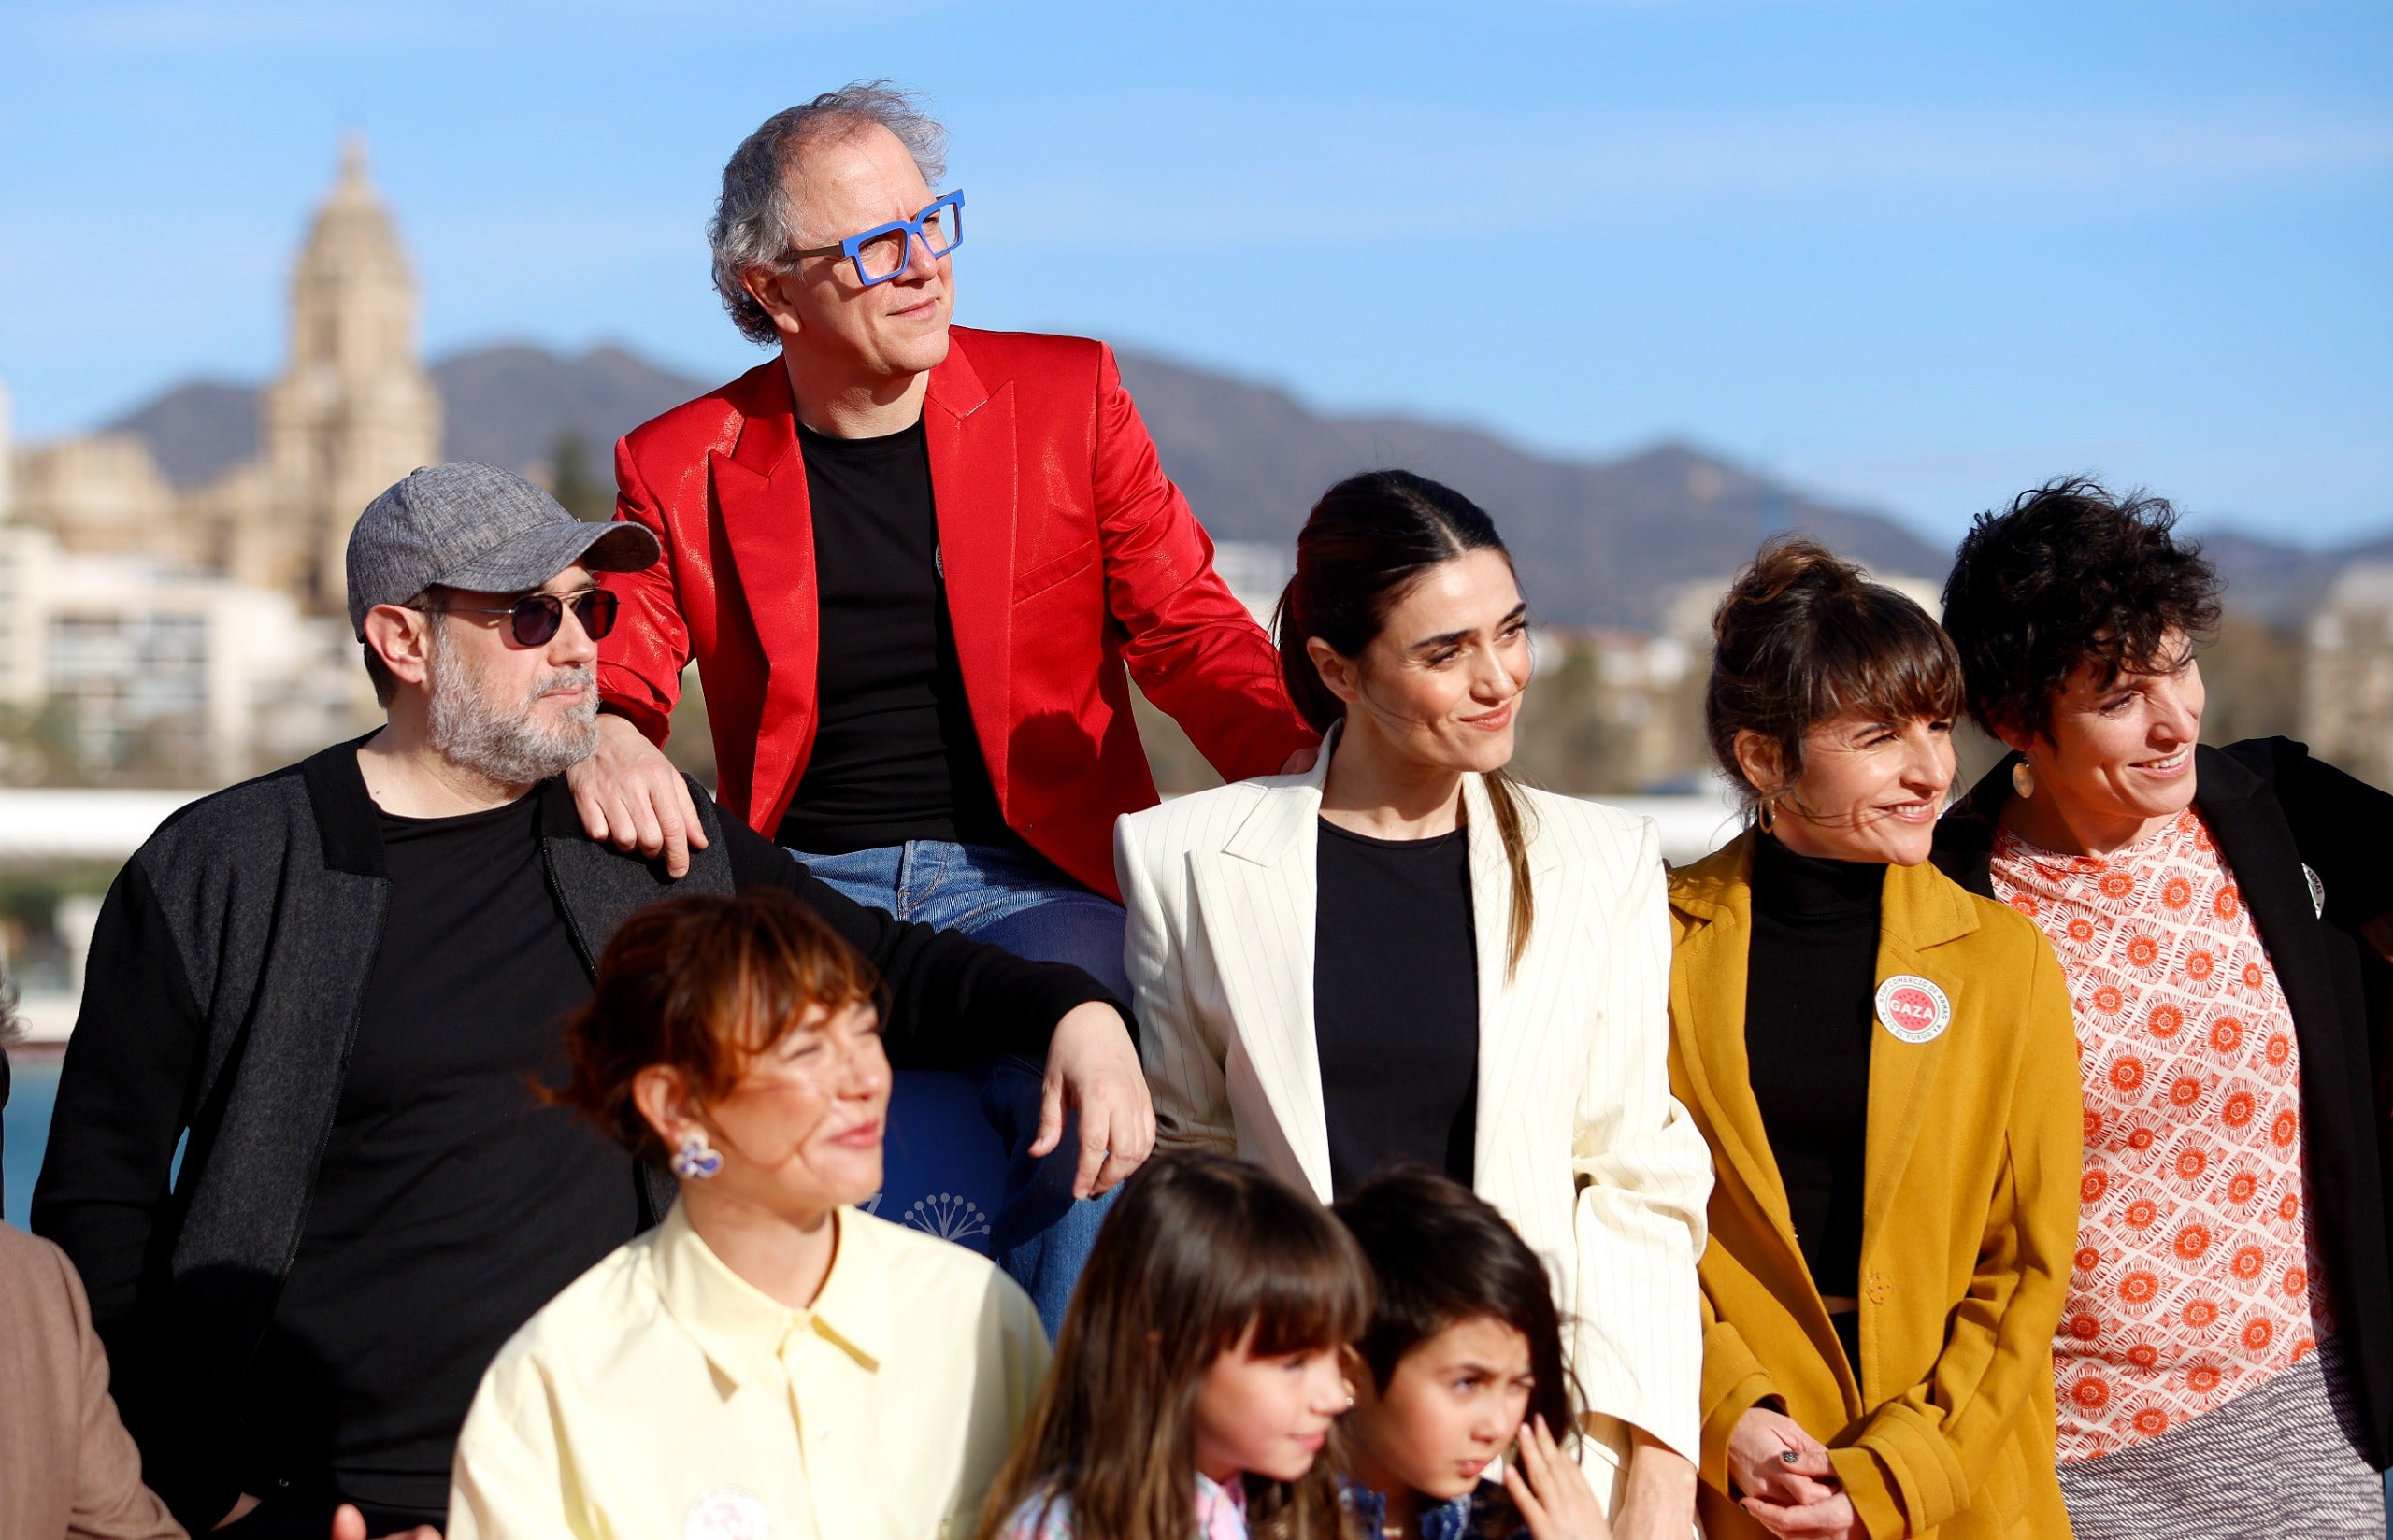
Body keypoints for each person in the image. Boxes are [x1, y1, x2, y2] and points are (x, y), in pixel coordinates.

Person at [32, 463, 1140, 1537]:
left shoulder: (647, 838)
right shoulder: (220, 868)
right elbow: (99, 1207)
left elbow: (884, 966)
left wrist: (1071, 1011)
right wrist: (209, 1495)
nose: (576, 645)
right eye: (528, 616)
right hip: (323, 1503)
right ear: (402, 641)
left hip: (632, 1485)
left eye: (588, 607)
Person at [569, 82, 1313, 1320]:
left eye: (935, 223)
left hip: (1040, 874)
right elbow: (625, 657)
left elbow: (1187, 629)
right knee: (738, 1093)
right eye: (873, 246)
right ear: (769, 289)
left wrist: (1323, 764)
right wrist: (606, 728)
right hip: (806, 878)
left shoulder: (1065, 400)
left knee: (1081, 1072)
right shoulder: (679, 460)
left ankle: (1067, 1463)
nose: (922, 267)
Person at [1119, 470, 1712, 1533]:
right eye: (1444, 653)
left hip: (1531, 1456)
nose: (1499, 679)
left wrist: (1656, 1482)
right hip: (1294, 1458)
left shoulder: (1601, 862)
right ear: (1335, 668)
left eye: (1511, 631)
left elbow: (1637, 1180)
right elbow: (1193, 1176)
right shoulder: (1186, 858)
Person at [1932, 480, 2393, 1537]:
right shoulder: (1945, 901)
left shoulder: (2277, 815)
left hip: (2309, 1420)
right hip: (2071, 1462)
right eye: (2118, 695)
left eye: (2178, 665)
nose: (2173, 717)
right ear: (2014, 721)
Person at [1668, 538, 2081, 1539]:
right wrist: (1734, 1416)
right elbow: (1623, 1224)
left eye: (1937, 725)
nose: (1931, 767)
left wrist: (1896, 1473)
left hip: (1961, 1486)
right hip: (1740, 1489)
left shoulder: (2001, 959)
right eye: (1879, 735)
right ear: (1765, 757)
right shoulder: (1654, 946)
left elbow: (2025, 1265)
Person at [450, 887, 1047, 1538]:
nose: (865, 1079)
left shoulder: (982, 1316)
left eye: (865, 1033)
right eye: (807, 1051)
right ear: (676, 1107)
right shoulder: (554, 1383)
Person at [975, 1151, 1371, 1540]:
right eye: (1295, 1363)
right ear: (1164, 1357)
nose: (1336, 1397)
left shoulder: (1307, 1509)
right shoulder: (1063, 1528)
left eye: (1337, 1359)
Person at [1332, 1164, 1613, 1540]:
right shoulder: (1247, 1519)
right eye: (1466, 1383)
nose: (1497, 1427)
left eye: (1518, 1384)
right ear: (1349, 1370)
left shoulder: (1528, 1529)